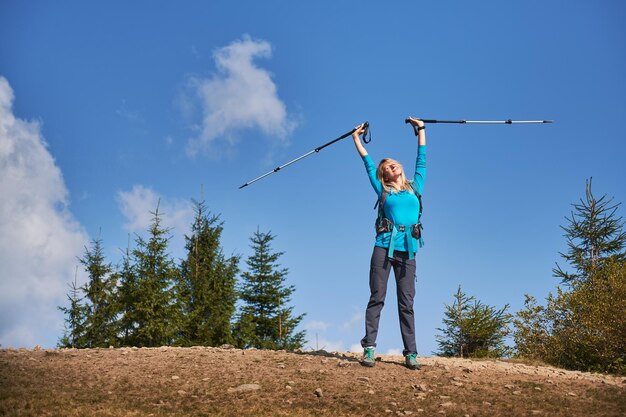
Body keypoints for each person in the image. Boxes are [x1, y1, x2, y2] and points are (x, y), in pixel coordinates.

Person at [351, 117, 426, 370]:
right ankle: (369, 349)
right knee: (377, 297)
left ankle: (411, 353)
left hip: (409, 251)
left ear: (400, 168)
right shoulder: (382, 190)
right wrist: (356, 139)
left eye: (393, 164)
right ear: (383, 175)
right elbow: (368, 164)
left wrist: (421, 130)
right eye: (387, 167)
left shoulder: (416, 186)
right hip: (383, 248)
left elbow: (422, 158)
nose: (391, 166)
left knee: (407, 303)